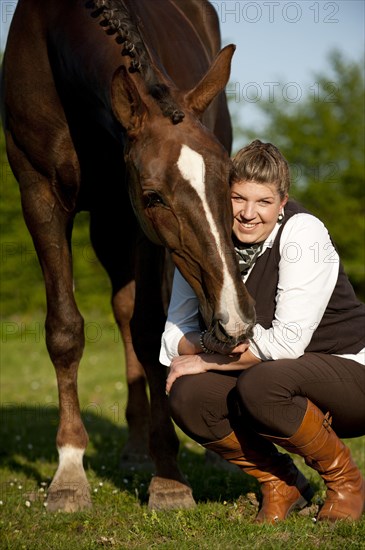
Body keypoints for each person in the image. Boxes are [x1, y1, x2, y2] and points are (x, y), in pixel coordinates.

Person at [159, 139, 365, 523]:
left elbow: (286, 343)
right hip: (273, 378)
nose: (248, 214)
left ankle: (346, 482)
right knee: (189, 395)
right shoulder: (205, 241)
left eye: (263, 202)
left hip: (350, 371)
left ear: (282, 203)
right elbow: (172, 337)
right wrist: (204, 347)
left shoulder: (304, 234)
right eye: (238, 199)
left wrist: (204, 359)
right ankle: (281, 484)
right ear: (225, 196)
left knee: (261, 382)